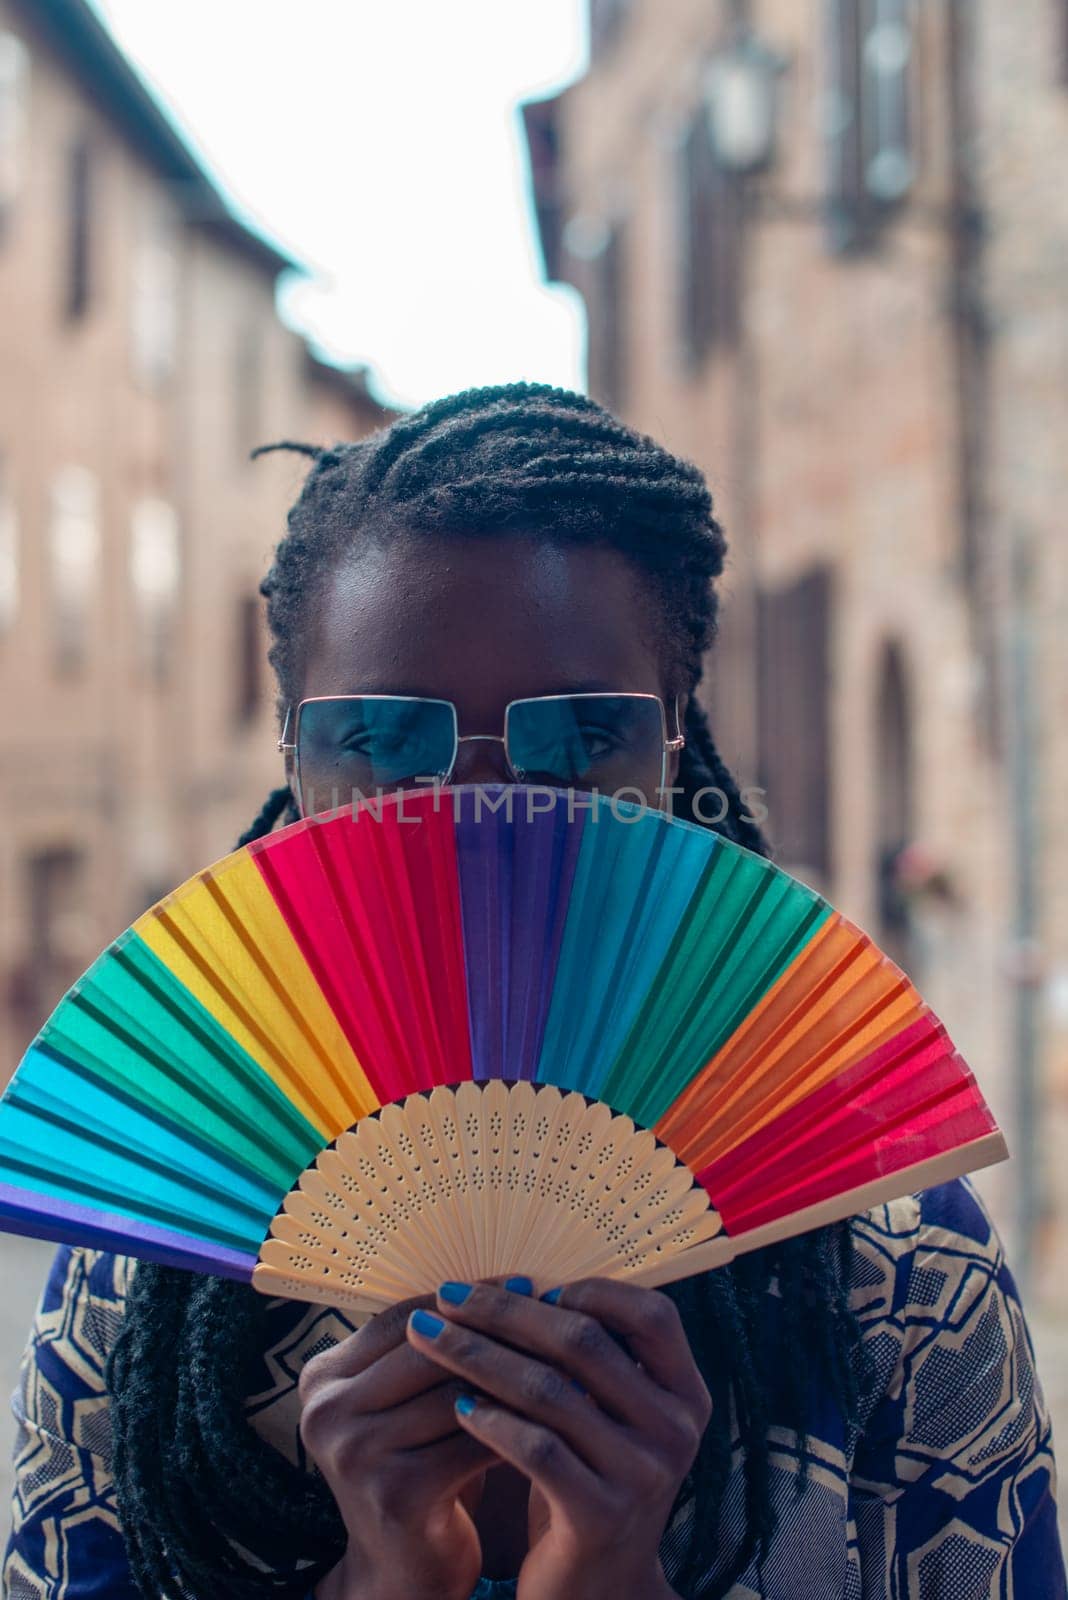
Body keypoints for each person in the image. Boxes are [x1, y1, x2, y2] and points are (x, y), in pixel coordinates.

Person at [4, 383, 1064, 1600]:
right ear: (293, 761)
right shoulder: (152, 1275)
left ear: (672, 752)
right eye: (380, 743)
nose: (475, 816)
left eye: (576, 740)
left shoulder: (898, 1272)